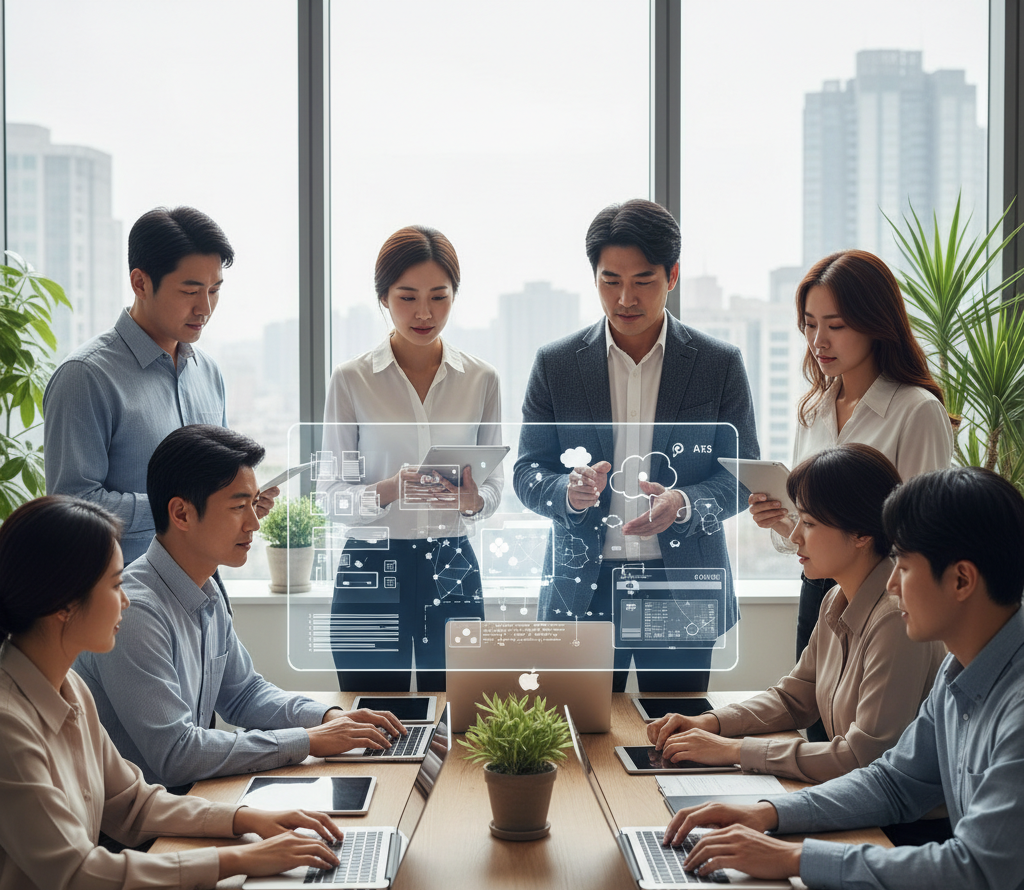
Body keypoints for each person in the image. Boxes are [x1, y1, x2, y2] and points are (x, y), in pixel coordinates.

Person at [663, 467, 1024, 890]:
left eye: (904, 567)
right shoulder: (959, 669)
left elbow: (973, 874)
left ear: (962, 580)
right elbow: (892, 783)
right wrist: (768, 814)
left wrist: (794, 858)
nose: (893, 584)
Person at [0, 495, 346, 890]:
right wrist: (236, 860)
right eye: (114, 585)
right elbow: (77, 876)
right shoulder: (8, 723)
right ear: (63, 605)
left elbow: (132, 805)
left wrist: (245, 820)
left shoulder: (69, 687)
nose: (126, 601)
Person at [513, 199, 758, 691]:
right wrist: (566, 492)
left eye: (643, 281)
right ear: (595, 278)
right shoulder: (556, 364)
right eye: (610, 281)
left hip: (679, 585)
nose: (625, 298)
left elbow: (744, 476)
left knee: (676, 727)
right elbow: (527, 472)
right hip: (584, 587)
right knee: (577, 728)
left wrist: (684, 503)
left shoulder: (718, 364)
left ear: (672, 276)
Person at [76, 424, 405, 790]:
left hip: (191, 799)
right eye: (238, 507)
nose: (254, 523)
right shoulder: (135, 612)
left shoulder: (206, 592)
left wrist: (329, 718)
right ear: (181, 514)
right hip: (142, 819)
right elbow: (177, 755)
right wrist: (308, 741)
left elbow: (244, 693)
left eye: (253, 504)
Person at [647, 443, 945, 789]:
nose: (794, 536)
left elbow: (862, 757)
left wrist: (732, 750)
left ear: (862, 534)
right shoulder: (835, 599)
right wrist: (708, 722)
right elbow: (793, 699)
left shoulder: (896, 619)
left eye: (809, 523)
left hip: (902, 817)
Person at [748, 250, 952, 738]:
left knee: (868, 744)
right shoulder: (814, 409)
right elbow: (814, 520)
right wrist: (783, 521)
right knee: (814, 727)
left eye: (835, 325)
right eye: (809, 324)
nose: (819, 341)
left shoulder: (916, 410)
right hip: (820, 591)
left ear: (876, 323)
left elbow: (923, 533)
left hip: (886, 601)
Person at [319, 226, 502, 690]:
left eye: (439, 297)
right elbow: (329, 497)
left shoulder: (481, 379)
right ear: (383, 297)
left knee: (460, 712)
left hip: (452, 560)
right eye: (407, 297)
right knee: (370, 714)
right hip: (371, 562)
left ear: (454, 295)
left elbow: (494, 488)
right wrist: (390, 489)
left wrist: (472, 501)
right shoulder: (351, 380)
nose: (424, 313)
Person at [43, 206, 278, 565]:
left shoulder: (208, 372)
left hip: (202, 587)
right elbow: (73, 508)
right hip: (123, 592)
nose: (205, 308)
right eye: (190, 291)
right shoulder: (85, 377)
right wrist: (185, 510)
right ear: (140, 283)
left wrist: (238, 502)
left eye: (214, 290)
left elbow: (218, 480)